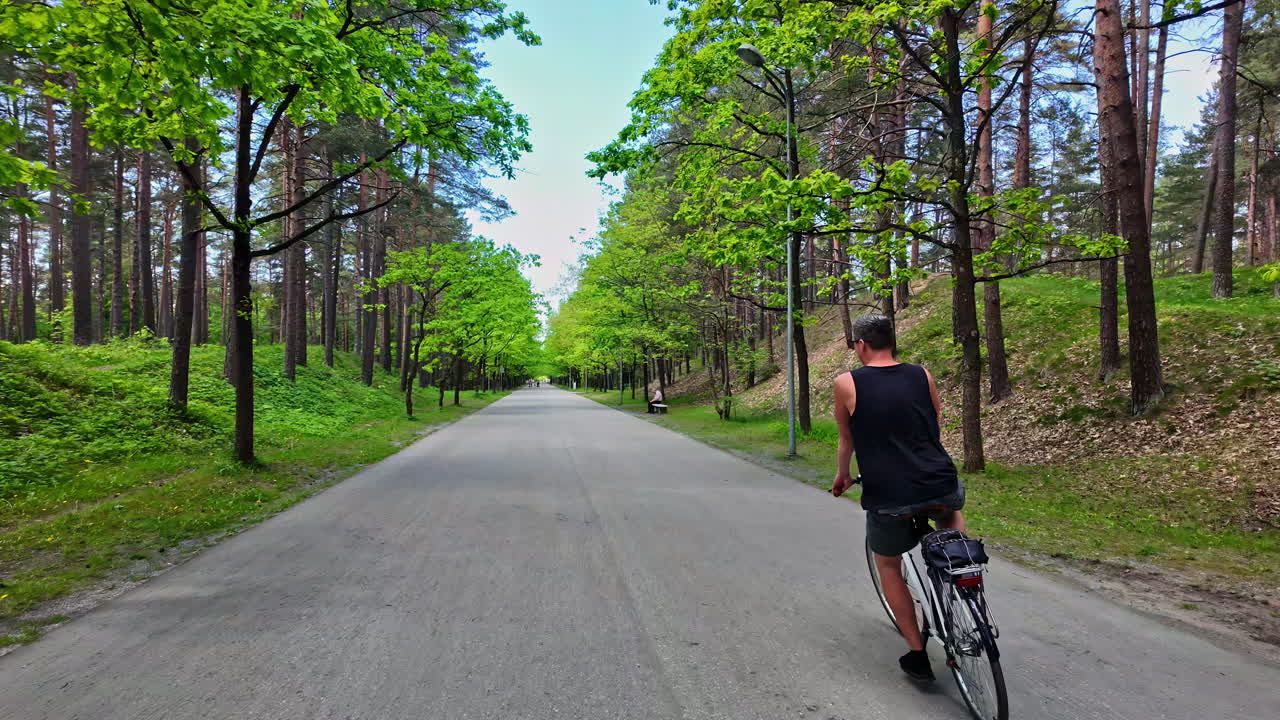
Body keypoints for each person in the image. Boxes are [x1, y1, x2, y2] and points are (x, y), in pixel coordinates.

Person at [831, 314, 965, 683]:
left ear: (861, 345)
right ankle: (960, 578)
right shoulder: (922, 374)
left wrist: (843, 476)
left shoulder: (846, 383)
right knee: (949, 512)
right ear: (891, 340)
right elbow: (934, 420)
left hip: (889, 493)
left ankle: (918, 655)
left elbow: (847, 439)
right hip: (938, 479)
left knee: (888, 564)